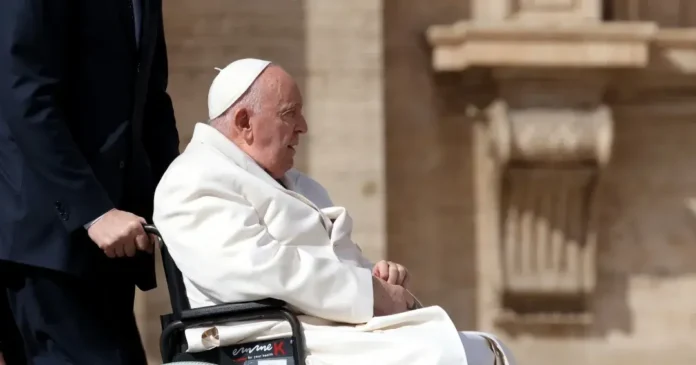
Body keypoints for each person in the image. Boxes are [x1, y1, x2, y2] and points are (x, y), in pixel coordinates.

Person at [152, 58, 515, 365]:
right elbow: (261, 270)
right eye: (289, 114)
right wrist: (370, 294)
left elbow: (338, 264)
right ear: (245, 122)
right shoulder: (193, 179)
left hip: (320, 328)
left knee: (487, 348)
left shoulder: (297, 183)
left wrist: (378, 277)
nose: (303, 127)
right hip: (263, 336)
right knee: (448, 354)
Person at [0, 0, 180, 363]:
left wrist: (181, 199)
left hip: (110, 247)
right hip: (46, 241)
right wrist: (94, 212)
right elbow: (24, 97)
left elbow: (152, 102)